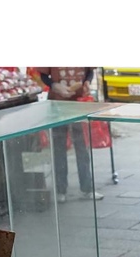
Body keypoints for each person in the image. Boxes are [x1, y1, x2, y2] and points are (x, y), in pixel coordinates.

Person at [40, 67, 103, 203]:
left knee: (82, 147)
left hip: (79, 103)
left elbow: (89, 71)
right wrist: (53, 85)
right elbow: (43, 75)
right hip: (57, 104)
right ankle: (60, 190)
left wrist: (87, 82)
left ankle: (87, 189)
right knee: (59, 148)